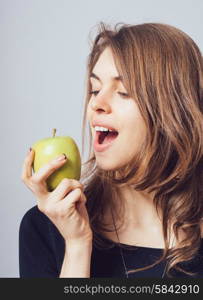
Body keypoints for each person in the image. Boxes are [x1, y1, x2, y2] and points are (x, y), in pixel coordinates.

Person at [19, 22, 203, 278]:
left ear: (174, 111)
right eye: (95, 89)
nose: (96, 103)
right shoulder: (45, 228)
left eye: (124, 92)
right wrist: (77, 246)